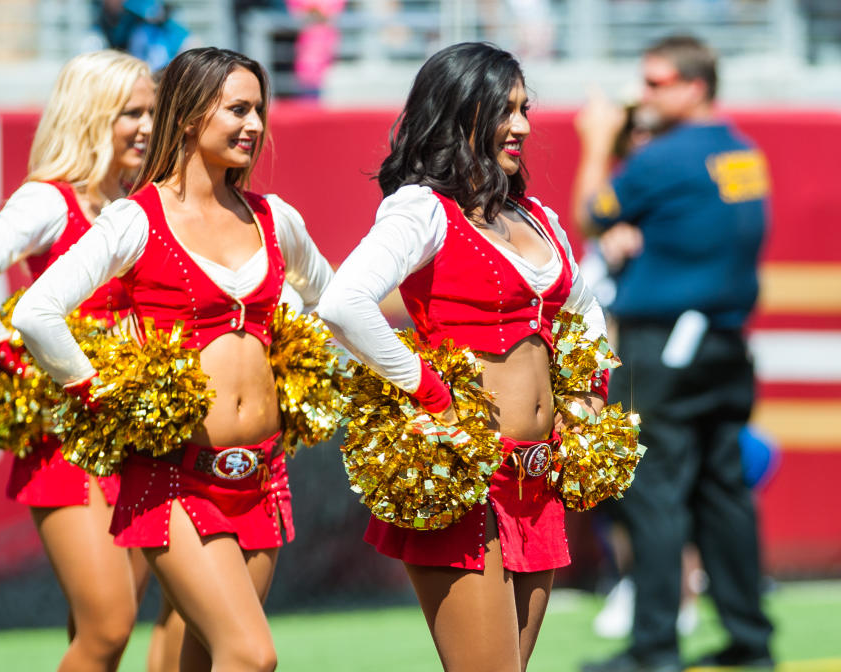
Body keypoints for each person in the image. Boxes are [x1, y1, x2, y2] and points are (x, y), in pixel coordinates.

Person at [11, 47, 333, 671]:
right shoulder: (136, 219)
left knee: (204, 655)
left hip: (262, 476)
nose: (255, 126)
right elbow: (35, 312)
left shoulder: (275, 218)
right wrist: (97, 393)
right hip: (175, 478)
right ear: (187, 116)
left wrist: (321, 368)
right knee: (250, 655)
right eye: (237, 109)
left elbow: (335, 300)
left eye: (260, 110)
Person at [317, 42, 610, 672]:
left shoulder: (536, 216)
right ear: (459, 111)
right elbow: (344, 302)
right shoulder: (422, 209)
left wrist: (587, 392)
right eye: (505, 110)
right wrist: (430, 392)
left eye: (525, 109)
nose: (524, 127)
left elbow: (587, 310)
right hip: (466, 476)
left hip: (539, 478)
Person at [0, 50, 169, 672]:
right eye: (131, 113)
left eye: (153, 111)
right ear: (92, 116)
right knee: (110, 628)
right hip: (67, 440)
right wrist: (10, 352)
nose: (147, 126)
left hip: (133, 433)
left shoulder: (136, 204)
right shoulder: (49, 202)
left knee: (100, 629)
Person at [572, 35, 774, 672]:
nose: (644, 95)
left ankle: (654, 646)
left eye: (657, 83)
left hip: (669, 346)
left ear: (694, 85)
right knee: (722, 493)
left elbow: (586, 213)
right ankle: (750, 639)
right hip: (725, 343)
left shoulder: (664, 160)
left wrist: (600, 140)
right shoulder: (742, 153)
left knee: (653, 494)